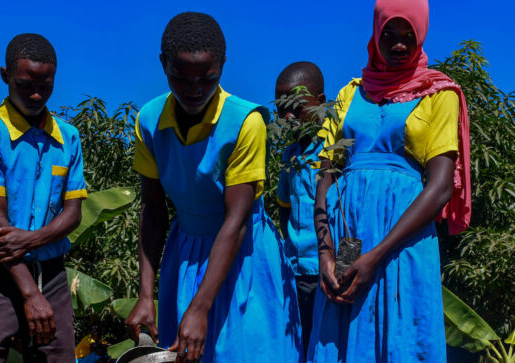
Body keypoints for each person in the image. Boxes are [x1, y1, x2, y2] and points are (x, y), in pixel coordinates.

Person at [125, 12, 302, 362]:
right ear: (164, 65)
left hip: (243, 256)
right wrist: (146, 295)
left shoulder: (245, 122)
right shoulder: (149, 120)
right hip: (186, 252)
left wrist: (200, 306)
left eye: (207, 79)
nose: (194, 91)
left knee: (243, 351)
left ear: (222, 64)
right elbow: (154, 210)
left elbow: (236, 221)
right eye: (180, 77)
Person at [308, 0, 471, 361]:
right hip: (347, 234)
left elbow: (441, 187)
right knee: (342, 331)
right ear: (375, 34)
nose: (398, 44)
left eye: (408, 36)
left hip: (402, 239)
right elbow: (326, 174)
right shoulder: (351, 92)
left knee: (400, 334)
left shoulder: (439, 94)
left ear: (422, 35)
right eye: (389, 35)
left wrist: (378, 254)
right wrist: (326, 251)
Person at [0, 33, 87, 363]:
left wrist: (32, 239)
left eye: (45, 86)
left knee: (58, 356)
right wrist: (31, 294)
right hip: (0, 271)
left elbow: (73, 213)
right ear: (5, 76)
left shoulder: (68, 138)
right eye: (24, 84)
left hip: (53, 272)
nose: (35, 94)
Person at [274, 61, 327, 351]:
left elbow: (349, 218)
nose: (289, 116)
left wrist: (342, 268)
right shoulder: (290, 155)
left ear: (320, 103)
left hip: (329, 273)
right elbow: (285, 207)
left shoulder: (337, 151)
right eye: (282, 109)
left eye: (297, 106)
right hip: (296, 273)